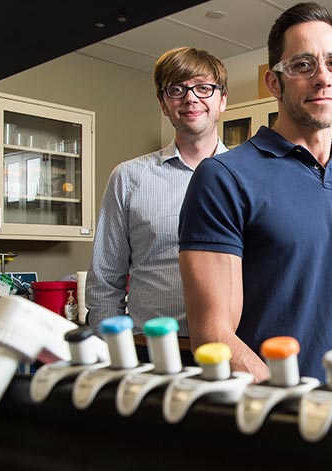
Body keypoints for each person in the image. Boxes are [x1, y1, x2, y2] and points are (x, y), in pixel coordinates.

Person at [178, 2, 332, 407]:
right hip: (289, 429)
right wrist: (304, 414)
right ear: (274, 83)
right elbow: (213, 336)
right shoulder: (224, 179)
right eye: (302, 64)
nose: (322, 77)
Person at [86, 47, 229, 356]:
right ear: (163, 104)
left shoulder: (248, 178)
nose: (191, 98)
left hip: (234, 350)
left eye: (204, 87)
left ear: (222, 100)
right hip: (149, 351)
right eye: (177, 89)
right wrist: (113, 354)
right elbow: (104, 281)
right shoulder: (128, 178)